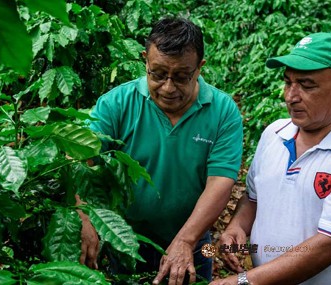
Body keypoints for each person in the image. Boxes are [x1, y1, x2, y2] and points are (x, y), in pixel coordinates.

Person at [79, 17, 243, 284]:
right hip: (125, 236)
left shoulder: (223, 111)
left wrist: (186, 240)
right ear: (145, 59)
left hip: (196, 238)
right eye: (157, 74)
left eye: (181, 77)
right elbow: (80, 159)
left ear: (199, 68)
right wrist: (84, 217)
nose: (167, 87)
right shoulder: (116, 104)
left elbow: (221, 181)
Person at [211, 32, 331, 285]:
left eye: (307, 85)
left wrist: (243, 281)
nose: (290, 96)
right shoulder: (274, 134)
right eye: (288, 82)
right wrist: (237, 227)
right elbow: (253, 198)